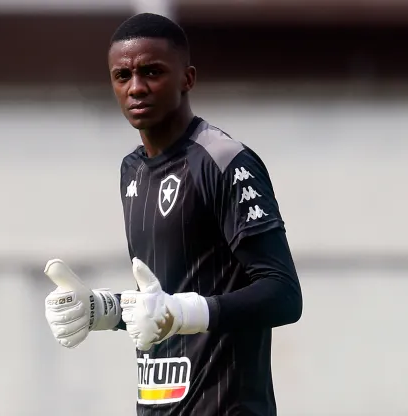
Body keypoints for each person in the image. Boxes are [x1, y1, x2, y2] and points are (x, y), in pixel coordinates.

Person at [43, 12, 303, 416]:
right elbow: (163, 301)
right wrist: (104, 310)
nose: (136, 87)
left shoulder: (224, 161)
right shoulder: (132, 170)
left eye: (152, 72)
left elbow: (284, 295)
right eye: (122, 75)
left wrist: (183, 313)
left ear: (188, 79)